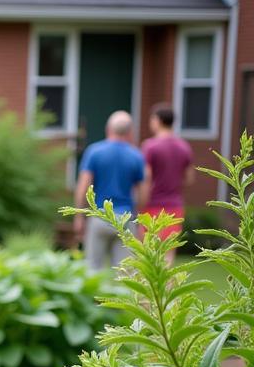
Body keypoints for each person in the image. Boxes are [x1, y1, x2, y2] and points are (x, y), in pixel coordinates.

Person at [73, 110, 147, 270]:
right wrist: (139, 218)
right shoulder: (136, 156)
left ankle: (93, 296)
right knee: (127, 274)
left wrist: (79, 216)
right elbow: (143, 192)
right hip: (125, 220)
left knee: (92, 269)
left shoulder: (94, 151)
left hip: (99, 218)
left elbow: (83, 186)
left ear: (108, 129)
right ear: (130, 132)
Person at [140, 103, 194, 264]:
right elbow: (189, 178)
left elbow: (146, 177)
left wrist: (140, 203)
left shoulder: (150, 146)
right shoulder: (184, 147)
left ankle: (148, 289)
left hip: (152, 205)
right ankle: (166, 289)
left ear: (157, 120)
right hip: (174, 206)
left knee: (148, 254)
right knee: (168, 255)